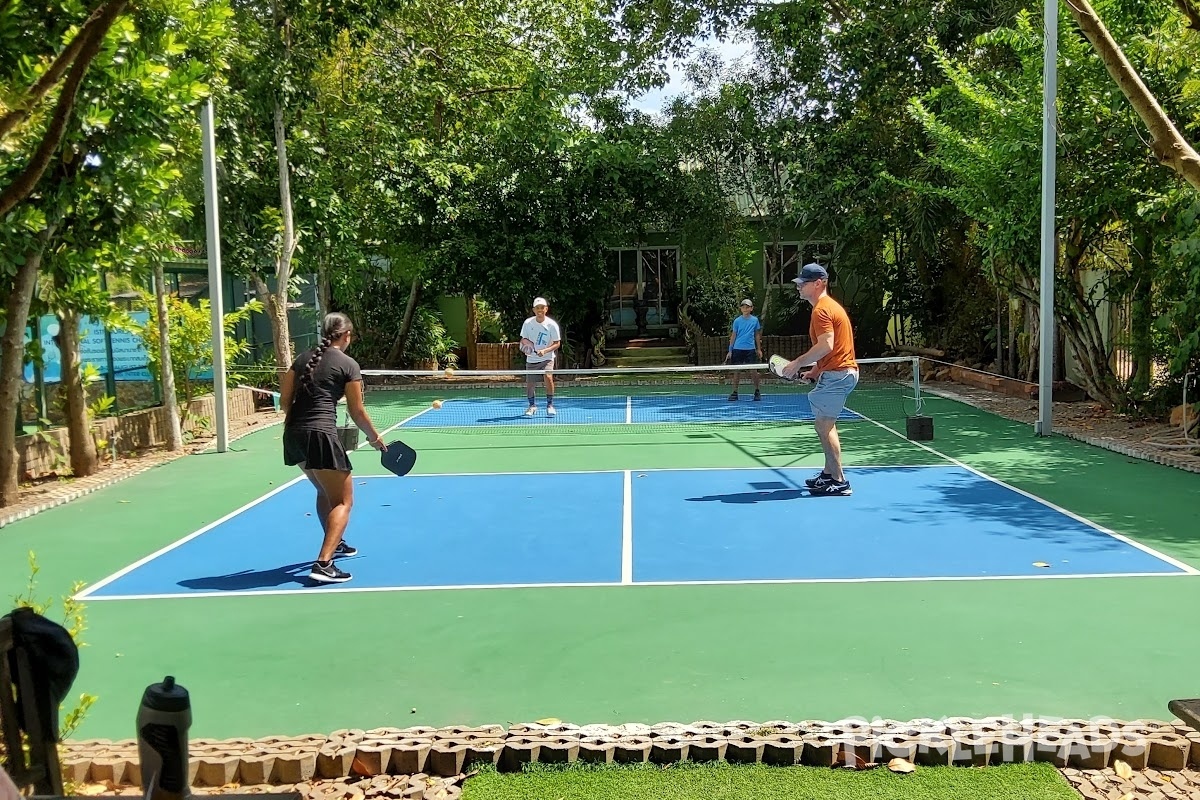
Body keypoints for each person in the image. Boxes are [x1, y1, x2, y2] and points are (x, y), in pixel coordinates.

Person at [280, 312, 386, 583]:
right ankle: (323, 564)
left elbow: (284, 402)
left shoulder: (301, 359)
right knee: (343, 500)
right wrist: (375, 438)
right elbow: (357, 411)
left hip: (293, 434)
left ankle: (335, 541)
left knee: (323, 491)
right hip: (320, 435)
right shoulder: (348, 365)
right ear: (347, 335)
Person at [782, 263, 858, 496]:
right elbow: (833, 349)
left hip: (838, 375)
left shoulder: (822, 310)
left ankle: (839, 481)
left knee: (824, 426)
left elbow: (826, 345)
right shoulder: (828, 307)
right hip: (838, 372)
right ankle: (828, 474)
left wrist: (796, 363)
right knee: (824, 424)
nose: (799, 287)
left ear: (818, 284)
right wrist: (815, 370)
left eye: (803, 283)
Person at [520, 297, 561, 417]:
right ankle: (532, 406)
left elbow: (557, 343)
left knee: (548, 377)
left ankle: (550, 405)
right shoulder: (528, 323)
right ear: (534, 310)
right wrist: (526, 348)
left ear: (546, 309)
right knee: (530, 384)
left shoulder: (551, 325)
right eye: (537, 308)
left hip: (547, 358)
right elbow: (523, 339)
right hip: (532, 359)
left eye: (542, 307)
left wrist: (545, 351)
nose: (540, 310)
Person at [724, 298, 763, 401]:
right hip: (737, 349)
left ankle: (757, 391)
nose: (745, 309)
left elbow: (757, 335)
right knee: (737, 371)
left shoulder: (755, 320)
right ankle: (734, 392)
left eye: (747, 307)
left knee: (753, 371)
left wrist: (759, 349)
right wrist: (730, 350)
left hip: (750, 349)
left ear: (751, 308)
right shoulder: (737, 321)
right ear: (741, 309)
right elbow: (733, 335)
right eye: (743, 307)